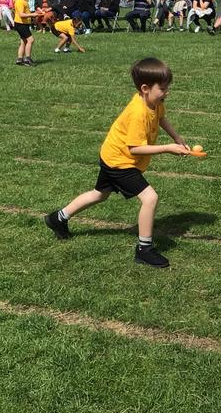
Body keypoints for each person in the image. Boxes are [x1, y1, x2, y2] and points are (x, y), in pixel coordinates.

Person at [44, 57, 191, 268]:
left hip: (113, 155)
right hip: (120, 162)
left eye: (168, 87)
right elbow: (135, 148)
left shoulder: (154, 103)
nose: (167, 92)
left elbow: (161, 118)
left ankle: (57, 219)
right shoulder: (138, 112)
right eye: (163, 88)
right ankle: (144, 249)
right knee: (150, 198)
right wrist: (168, 148)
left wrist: (176, 138)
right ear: (145, 88)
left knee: (99, 194)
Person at [12, 0, 35, 66]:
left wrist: (35, 13)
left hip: (22, 24)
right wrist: (32, 15)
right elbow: (21, 14)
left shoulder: (23, 0)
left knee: (24, 41)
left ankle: (19, 59)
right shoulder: (20, 1)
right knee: (31, 40)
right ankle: (27, 59)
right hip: (21, 24)